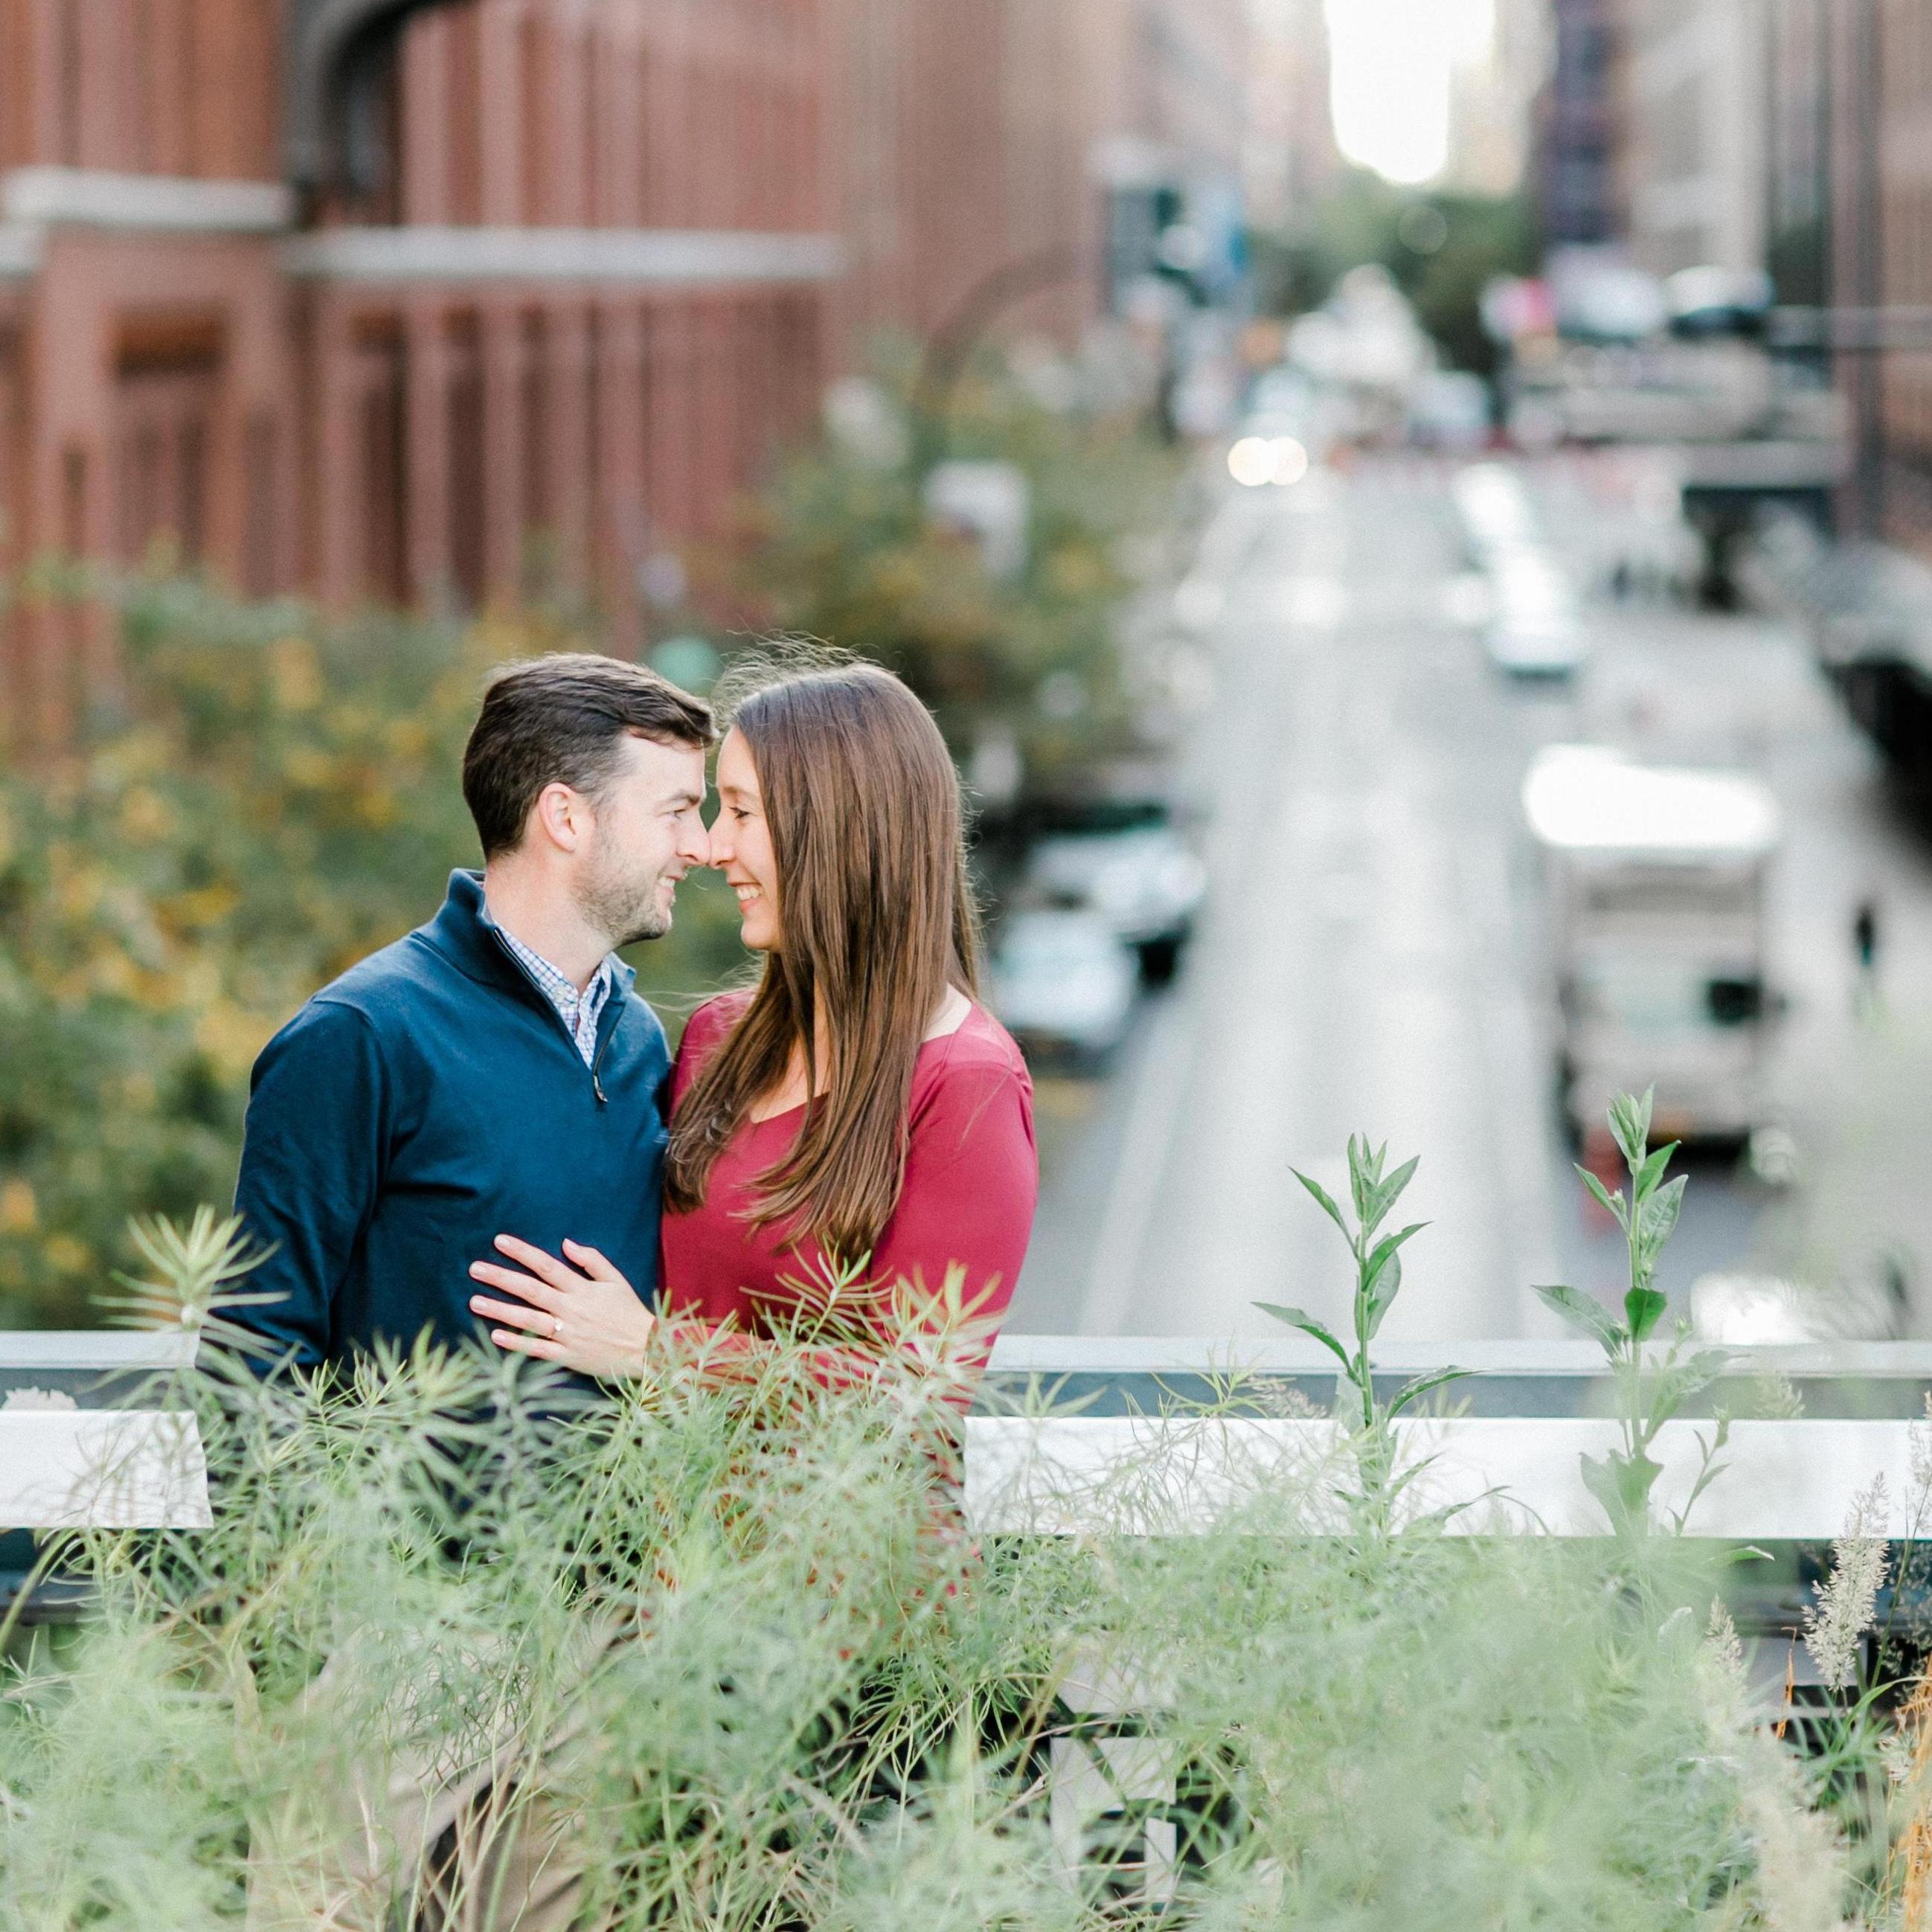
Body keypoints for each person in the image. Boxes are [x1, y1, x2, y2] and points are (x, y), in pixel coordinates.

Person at [467, 659, 1037, 1388]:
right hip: (659, 1467)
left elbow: (916, 1398)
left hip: (822, 1475)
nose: (710, 847)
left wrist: (656, 1350)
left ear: (840, 827)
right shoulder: (717, 1039)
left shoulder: (967, 1083)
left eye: (740, 812)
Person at [229, 653, 714, 1373]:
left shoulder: (637, 1038)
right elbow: (250, 1360)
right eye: (676, 811)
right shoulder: (360, 1034)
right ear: (566, 818)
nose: (700, 846)